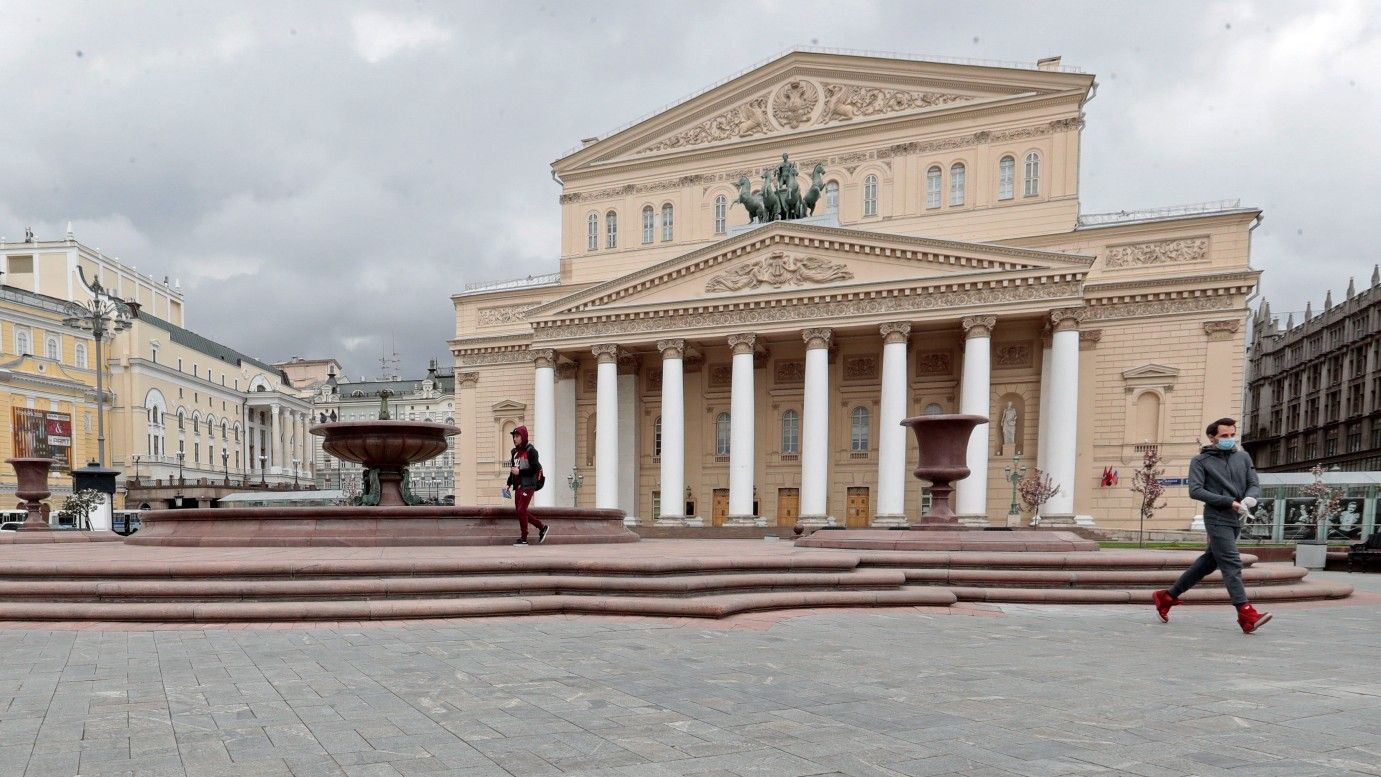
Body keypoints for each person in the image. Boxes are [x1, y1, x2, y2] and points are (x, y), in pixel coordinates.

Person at [1152, 417, 1272, 634]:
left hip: (1236, 517)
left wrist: (1250, 499)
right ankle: (1246, 613)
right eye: (1224, 436)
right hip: (1217, 517)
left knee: (1208, 562)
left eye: (1232, 435)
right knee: (1231, 561)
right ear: (1212, 437)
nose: (1229, 439)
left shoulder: (1243, 457)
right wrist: (1229, 502)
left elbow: (1254, 483)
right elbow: (1195, 491)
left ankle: (1167, 597)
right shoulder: (1200, 461)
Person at [505, 426, 549, 545]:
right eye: (514, 436)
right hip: (519, 485)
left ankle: (524, 538)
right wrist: (508, 484)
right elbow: (513, 470)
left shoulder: (531, 451)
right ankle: (542, 527)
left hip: (529, 484)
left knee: (521, 510)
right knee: (520, 511)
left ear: (523, 436)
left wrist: (520, 472)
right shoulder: (514, 452)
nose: (514, 438)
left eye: (517, 436)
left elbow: (534, 469)